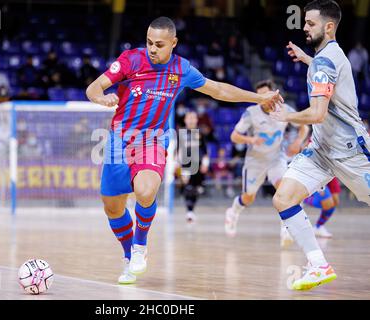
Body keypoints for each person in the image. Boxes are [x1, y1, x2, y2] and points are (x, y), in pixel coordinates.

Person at [85, 16, 282, 285]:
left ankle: (140, 247)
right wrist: (101, 97)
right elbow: (93, 87)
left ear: (173, 43)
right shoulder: (131, 60)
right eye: (149, 43)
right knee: (113, 208)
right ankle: (129, 256)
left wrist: (259, 97)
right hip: (119, 141)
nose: (152, 49)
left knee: (145, 190)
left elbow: (219, 90)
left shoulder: (182, 69)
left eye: (159, 44)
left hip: (152, 140)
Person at [271, 0, 370, 290]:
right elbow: (325, 73)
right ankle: (318, 265)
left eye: (310, 23)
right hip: (321, 150)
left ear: (328, 27)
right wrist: (306, 59)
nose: (303, 27)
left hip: (349, 151)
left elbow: (317, 113)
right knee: (284, 198)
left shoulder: (325, 61)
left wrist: (286, 115)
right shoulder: (330, 55)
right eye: (304, 21)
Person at [223, 80, 308, 248]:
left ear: (274, 95)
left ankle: (286, 229)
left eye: (267, 94)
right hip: (255, 161)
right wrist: (251, 139)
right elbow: (234, 136)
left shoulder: (284, 109)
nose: (264, 98)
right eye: (260, 96)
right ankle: (233, 211)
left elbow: (303, 126)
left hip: (277, 158)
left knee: (285, 192)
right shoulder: (251, 113)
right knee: (248, 198)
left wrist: (298, 141)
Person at [177, 111, 209, 222]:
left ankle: (192, 210)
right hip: (186, 163)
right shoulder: (181, 133)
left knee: (196, 188)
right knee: (187, 187)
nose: (191, 120)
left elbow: (205, 150)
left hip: (198, 164)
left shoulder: (200, 132)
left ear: (196, 120)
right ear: (185, 120)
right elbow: (178, 150)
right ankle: (189, 211)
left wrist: (205, 163)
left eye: (193, 118)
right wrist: (178, 165)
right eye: (189, 118)